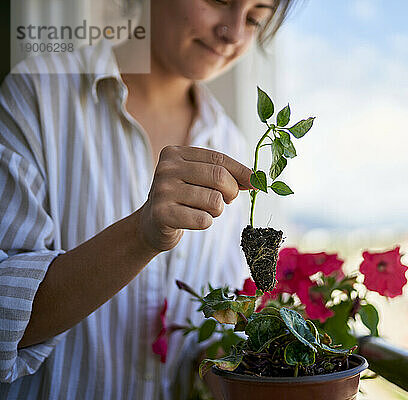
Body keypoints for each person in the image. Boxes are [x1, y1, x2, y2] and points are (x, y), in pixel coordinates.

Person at [0, 0, 296, 398]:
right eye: (219, 1)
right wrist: (141, 235)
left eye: (255, 18)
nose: (234, 32)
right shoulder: (39, 94)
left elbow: (208, 338)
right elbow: (6, 315)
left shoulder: (229, 142)